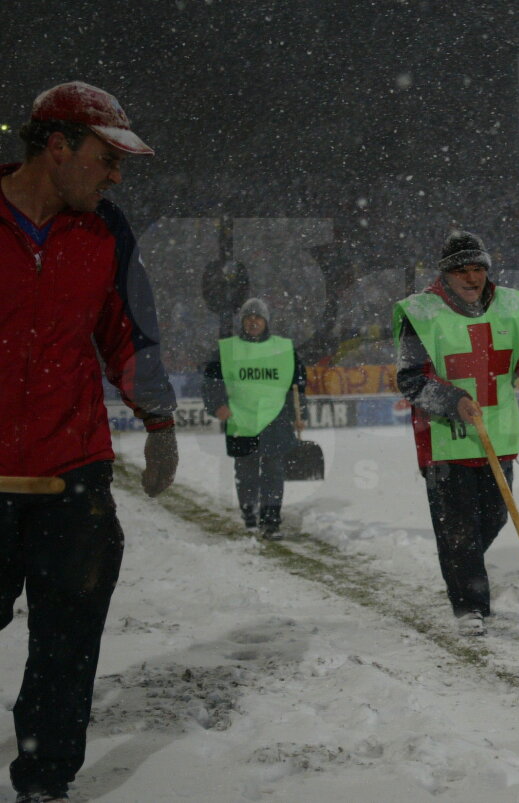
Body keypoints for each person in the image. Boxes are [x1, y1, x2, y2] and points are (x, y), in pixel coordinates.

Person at [0, 81, 178, 803]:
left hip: (73, 476)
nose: (115, 175)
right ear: (58, 147)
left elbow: (130, 335)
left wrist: (160, 422)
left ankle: (44, 781)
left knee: (66, 648)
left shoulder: (107, 232)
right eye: (106, 158)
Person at [393, 230, 519, 636]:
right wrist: (453, 400)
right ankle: (469, 606)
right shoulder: (419, 312)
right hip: (444, 440)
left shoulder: (509, 304)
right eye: (462, 271)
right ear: (446, 275)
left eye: (478, 269)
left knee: (491, 517)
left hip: (498, 436)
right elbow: (412, 378)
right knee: (458, 528)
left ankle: (462, 567)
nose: (472, 279)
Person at [202, 298, 306, 539]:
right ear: (242, 322)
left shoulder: (284, 349)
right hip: (241, 419)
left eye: (257, 317)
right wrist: (217, 406)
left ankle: (271, 522)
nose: (253, 321)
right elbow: (211, 382)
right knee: (246, 472)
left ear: (266, 321)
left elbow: (298, 386)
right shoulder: (227, 349)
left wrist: (300, 415)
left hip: (275, 419)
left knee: (274, 472)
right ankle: (250, 516)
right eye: (248, 317)